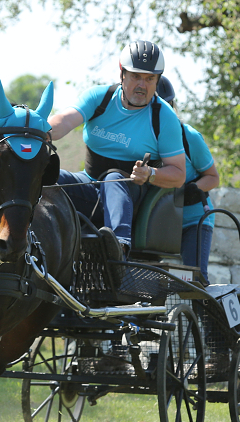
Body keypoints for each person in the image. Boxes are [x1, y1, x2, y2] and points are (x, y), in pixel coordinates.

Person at [47, 40, 186, 264]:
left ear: (158, 79)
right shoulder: (100, 98)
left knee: (114, 179)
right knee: (49, 176)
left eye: (150, 79)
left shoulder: (165, 118)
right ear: (122, 73)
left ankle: (117, 255)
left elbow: (179, 174)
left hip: (132, 198)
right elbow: (63, 122)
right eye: (136, 76)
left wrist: (150, 173)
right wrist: (38, 132)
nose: (142, 85)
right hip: (89, 186)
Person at [155, 76, 220, 283]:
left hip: (194, 220)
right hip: (160, 222)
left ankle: (203, 314)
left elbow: (213, 177)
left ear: (171, 106)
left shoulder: (189, 137)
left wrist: (192, 189)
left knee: (195, 279)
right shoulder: (142, 139)